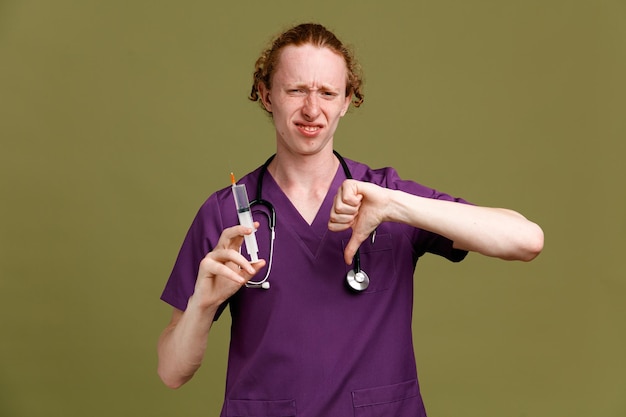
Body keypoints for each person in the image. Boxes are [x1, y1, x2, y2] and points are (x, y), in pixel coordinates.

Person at [157, 23, 544, 417]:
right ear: (265, 94)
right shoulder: (228, 213)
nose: (312, 109)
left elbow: (526, 240)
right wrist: (203, 306)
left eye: (327, 92)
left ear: (346, 100)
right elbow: (171, 372)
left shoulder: (385, 194)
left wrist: (396, 206)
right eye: (296, 90)